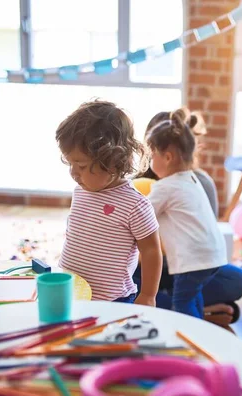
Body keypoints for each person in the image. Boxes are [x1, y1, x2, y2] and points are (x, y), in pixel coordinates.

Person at [133, 108, 242, 324]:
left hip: (188, 261)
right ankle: (203, 316)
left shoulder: (165, 187)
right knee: (190, 294)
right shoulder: (190, 181)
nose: (150, 161)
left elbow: (140, 216)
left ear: (167, 157)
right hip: (208, 258)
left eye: (153, 155)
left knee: (183, 300)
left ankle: (190, 331)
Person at [55, 100, 162, 306]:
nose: (74, 173)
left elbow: (151, 251)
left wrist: (148, 295)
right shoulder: (81, 191)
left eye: (82, 165)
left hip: (113, 300)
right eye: (70, 164)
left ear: (114, 161)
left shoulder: (134, 205)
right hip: (73, 291)